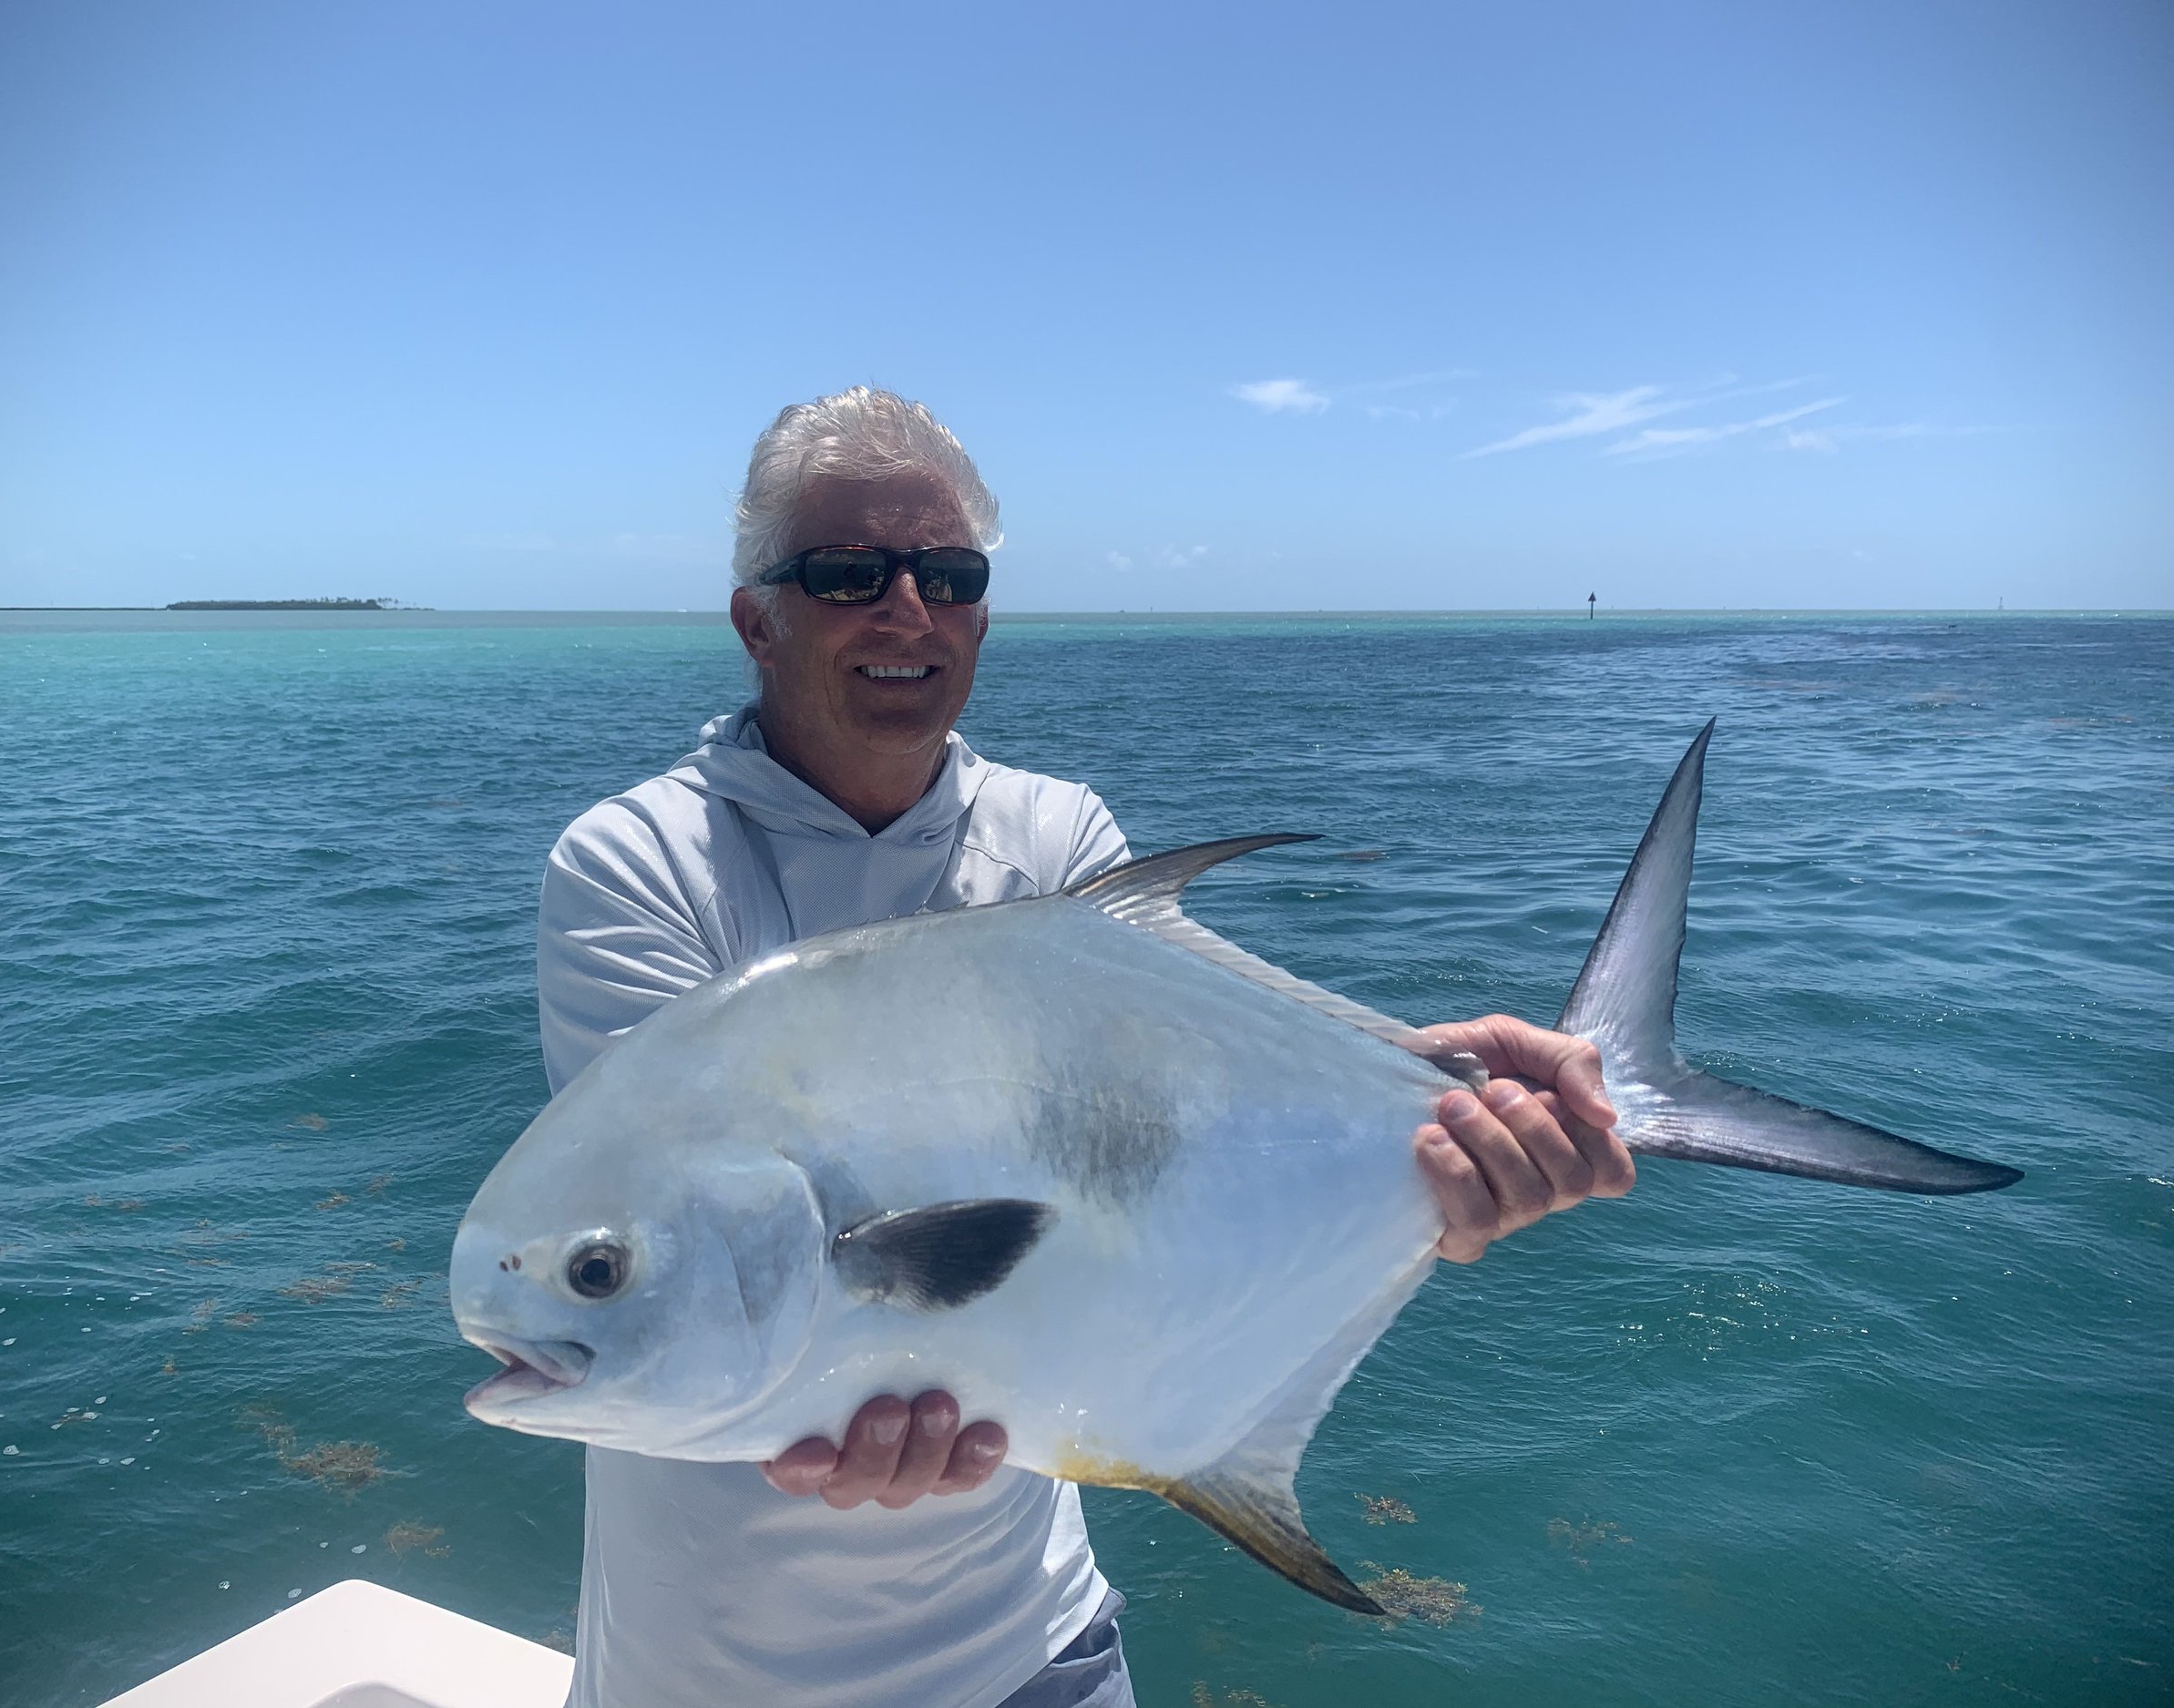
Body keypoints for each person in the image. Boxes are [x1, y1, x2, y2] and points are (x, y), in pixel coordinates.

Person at [534, 388, 1634, 1708]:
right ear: (753, 618)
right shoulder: (641, 866)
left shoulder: (1058, 845)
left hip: (1036, 1661)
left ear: (983, 612)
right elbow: (680, 1234)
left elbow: (1162, 1188)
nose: (907, 611)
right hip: (702, 1680)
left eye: (948, 575)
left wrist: (1442, 1157)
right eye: (845, 574)